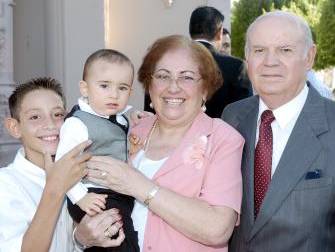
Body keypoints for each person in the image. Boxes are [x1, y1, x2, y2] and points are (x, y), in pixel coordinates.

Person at [222, 11, 335, 252]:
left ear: (309, 57)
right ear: (247, 57)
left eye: (285, 50)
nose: (270, 61)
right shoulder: (232, 117)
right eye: (259, 50)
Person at [85, 35, 244, 252]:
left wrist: (137, 184)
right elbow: (85, 189)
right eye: (162, 76)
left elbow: (217, 228)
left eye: (187, 77)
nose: (173, 87)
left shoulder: (223, 139)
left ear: (204, 89)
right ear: (150, 86)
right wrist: (81, 233)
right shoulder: (128, 128)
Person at [0, 77, 124, 252]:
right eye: (35, 117)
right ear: (14, 127)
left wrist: (80, 238)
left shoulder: (79, 174)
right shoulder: (4, 184)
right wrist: (54, 188)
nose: (49, 125)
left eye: (57, 115)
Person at [55, 49, 139, 252]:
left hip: (118, 193)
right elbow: (63, 166)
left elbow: (122, 116)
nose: (114, 94)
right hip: (92, 193)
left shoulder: (119, 116)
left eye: (122, 88)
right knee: (120, 242)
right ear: (84, 88)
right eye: (104, 86)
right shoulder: (77, 124)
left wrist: (133, 113)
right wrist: (79, 197)